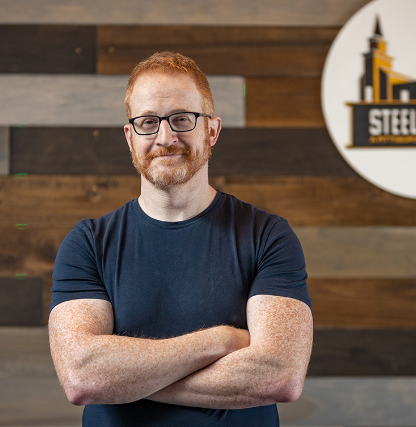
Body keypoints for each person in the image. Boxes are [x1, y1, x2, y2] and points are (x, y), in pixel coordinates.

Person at [48, 51, 313, 426]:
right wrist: (221, 340)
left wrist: (125, 380)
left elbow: (279, 375)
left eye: (182, 119)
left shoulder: (268, 236)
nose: (165, 137)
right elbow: (82, 377)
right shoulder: (88, 244)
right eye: (147, 122)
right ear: (130, 137)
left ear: (211, 131)